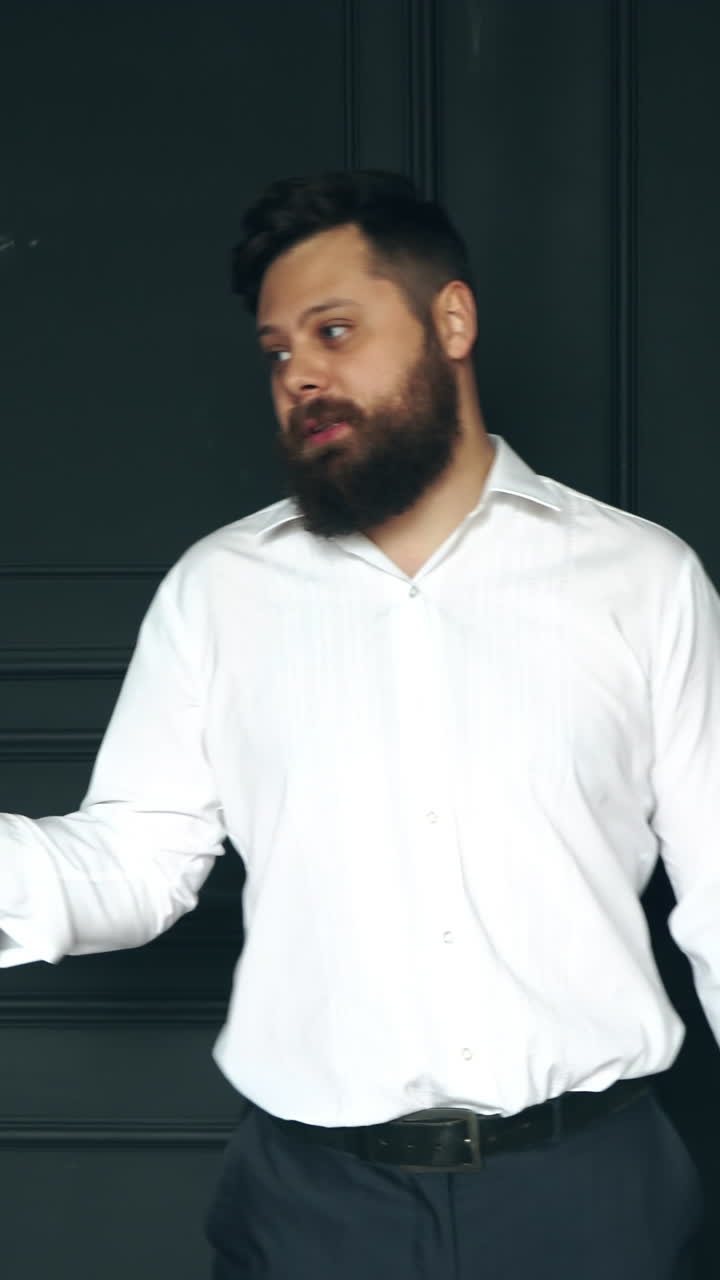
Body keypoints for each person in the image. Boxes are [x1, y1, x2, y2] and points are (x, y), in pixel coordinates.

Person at [1, 171, 717, 1279]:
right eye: (277, 351)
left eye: (334, 331)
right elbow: (135, 862)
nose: (300, 374)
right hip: (311, 1209)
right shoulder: (218, 591)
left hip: (589, 1197)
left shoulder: (644, 579)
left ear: (452, 321)